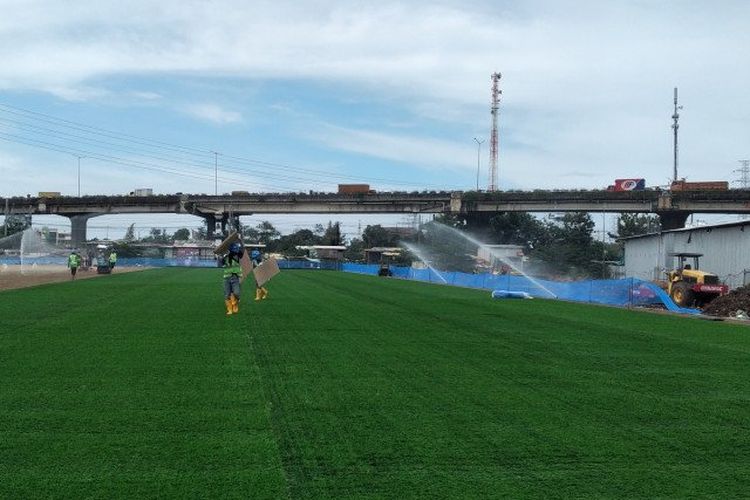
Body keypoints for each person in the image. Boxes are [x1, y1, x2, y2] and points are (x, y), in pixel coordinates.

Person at [221, 242, 244, 315]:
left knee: (236, 293)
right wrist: (223, 256)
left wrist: (240, 241)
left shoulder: (238, 256)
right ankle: (230, 309)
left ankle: (235, 304)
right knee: (227, 295)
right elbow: (222, 264)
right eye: (235, 249)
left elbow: (242, 251)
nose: (236, 250)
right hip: (226, 277)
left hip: (235, 277)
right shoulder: (225, 257)